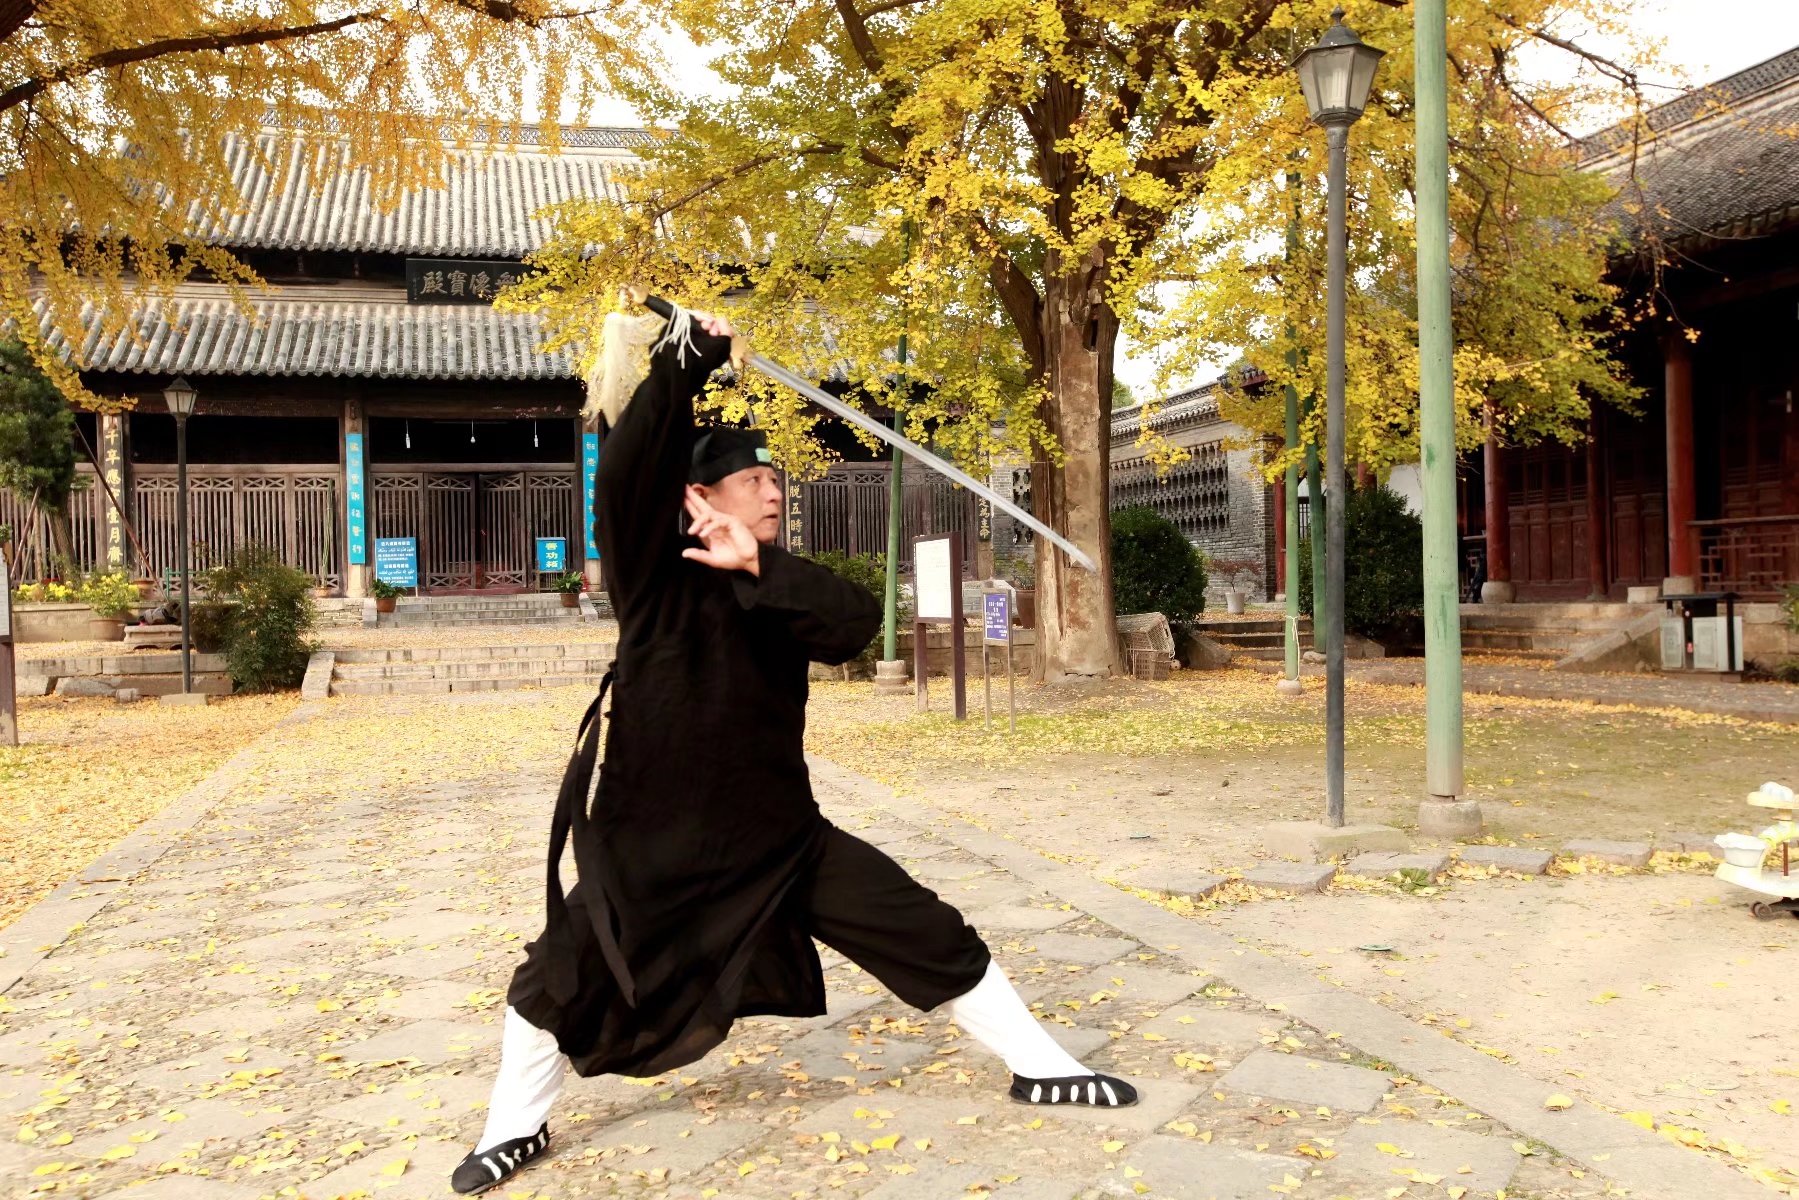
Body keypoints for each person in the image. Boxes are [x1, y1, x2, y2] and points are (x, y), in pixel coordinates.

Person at [451, 300, 1136, 1196]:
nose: (774, 493)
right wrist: (683, 363)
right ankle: (513, 1129)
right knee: (555, 982)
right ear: (698, 496)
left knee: (922, 927)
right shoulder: (652, 574)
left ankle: (1041, 1065)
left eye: (777, 480)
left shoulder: (779, 582)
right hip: (652, 845)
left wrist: (758, 565)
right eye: (753, 480)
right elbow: (626, 471)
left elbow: (851, 626)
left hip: (777, 835)